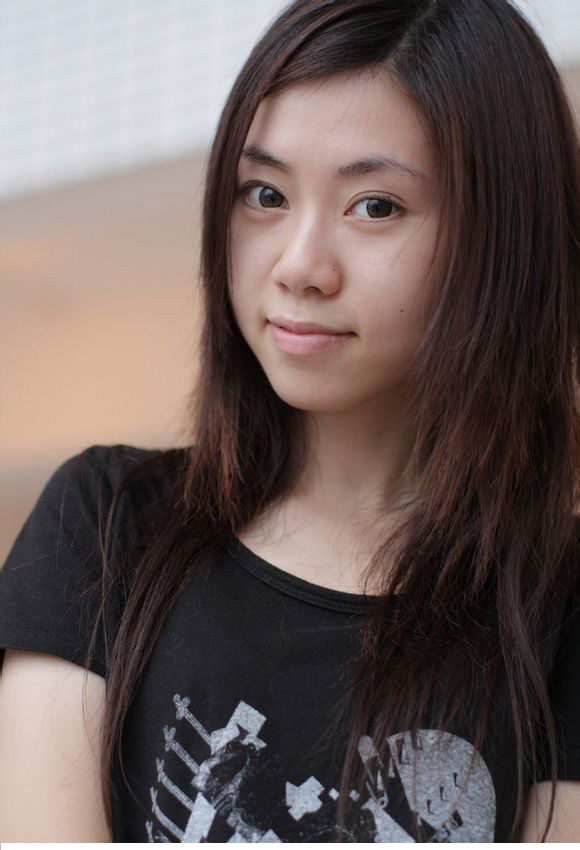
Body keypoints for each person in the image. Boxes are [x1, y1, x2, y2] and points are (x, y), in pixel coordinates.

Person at [0, 0, 578, 842]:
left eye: (375, 206)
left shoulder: (560, 605)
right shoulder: (104, 521)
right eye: (264, 194)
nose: (299, 266)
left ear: (504, 239)